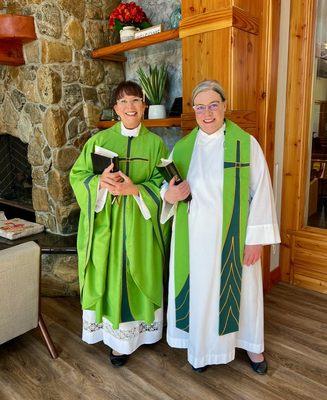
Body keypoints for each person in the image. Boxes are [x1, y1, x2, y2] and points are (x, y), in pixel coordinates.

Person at [161, 79, 280, 374]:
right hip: (195, 240)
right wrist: (169, 194)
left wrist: (255, 240)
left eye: (214, 105)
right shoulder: (182, 149)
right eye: (200, 107)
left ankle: (253, 347)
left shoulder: (245, 143)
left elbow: (262, 191)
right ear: (194, 111)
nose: (208, 112)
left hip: (234, 239)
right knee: (201, 294)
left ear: (224, 106)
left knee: (244, 294)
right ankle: (201, 351)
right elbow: (169, 189)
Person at [70, 81, 169, 367]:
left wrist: (135, 190)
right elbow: (78, 177)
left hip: (140, 228)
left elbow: (162, 183)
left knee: (138, 273)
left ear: (144, 107)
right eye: (123, 102)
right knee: (109, 276)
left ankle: (142, 335)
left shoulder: (155, 144)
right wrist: (99, 182)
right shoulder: (99, 142)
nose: (130, 107)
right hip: (108, 229)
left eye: (136, 101)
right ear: (115, 109)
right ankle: (115, 341)